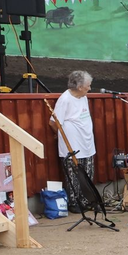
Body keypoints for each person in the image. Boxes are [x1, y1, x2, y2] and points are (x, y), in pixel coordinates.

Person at [51, 70, 96, 212]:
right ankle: (74, 202)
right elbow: (53, 122)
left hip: (87, 142)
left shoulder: (83, 97)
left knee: (88, 172)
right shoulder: (65, 99)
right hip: (72, 144)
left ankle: (87, 200)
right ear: (79, 86)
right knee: (74, 174)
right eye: (88, 86)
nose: (90, 88)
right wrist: (59, 135)